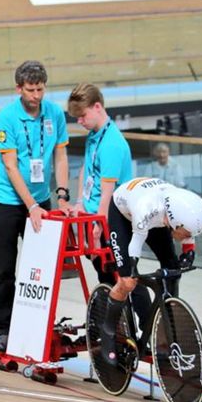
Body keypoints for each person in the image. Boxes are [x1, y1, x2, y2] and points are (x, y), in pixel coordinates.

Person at [0, 60, 70, 352]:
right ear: (19, 89)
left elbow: (60, 156)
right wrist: (31, 205)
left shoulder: (55, 113)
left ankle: (39, 323)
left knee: (42, 266)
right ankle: (6, 328)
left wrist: (62, 195)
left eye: (40, 89)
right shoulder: (6, 118)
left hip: (40, 198)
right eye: (31, 90)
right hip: (8, 199)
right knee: (6, 266)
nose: (36, 95)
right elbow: (10, 167)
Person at [97, 177, 202, 365]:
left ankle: (160, 331)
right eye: (186, 234)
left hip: (157, 215)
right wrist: (130, 269)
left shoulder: (181, 208)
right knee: (128, 281)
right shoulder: (146, 209)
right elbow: (135, 246)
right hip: (124, 214)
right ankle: (107, 331)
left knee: (172, 270)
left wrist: (188, 251)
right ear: (175, 221)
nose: (188, 237)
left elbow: (189, 232)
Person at [67, 83, 132, 284]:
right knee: (104, 277)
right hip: (92, 216)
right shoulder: (94, 135)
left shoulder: (111, 143)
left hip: (108, 222)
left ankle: (142, 314)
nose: (80, 121)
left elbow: (107, 192)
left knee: (123, 279)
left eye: (83, 116)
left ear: (97, 107)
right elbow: (85, 169)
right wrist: (79, 202)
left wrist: (98, 227)